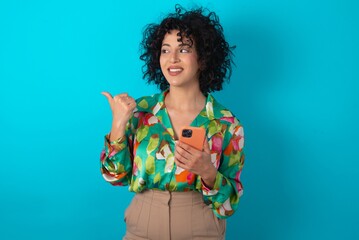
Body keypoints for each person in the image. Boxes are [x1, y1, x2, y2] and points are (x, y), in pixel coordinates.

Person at [100, 5, 245, 240]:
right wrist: (117, 125)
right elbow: (114, 177)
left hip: (201, 227)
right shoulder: (139, 112)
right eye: (165, 50)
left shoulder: (226, 124)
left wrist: (208, 172)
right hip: (143, 224)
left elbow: (228, 206)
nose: (172, 59)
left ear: (203, 58)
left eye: (184, 49)